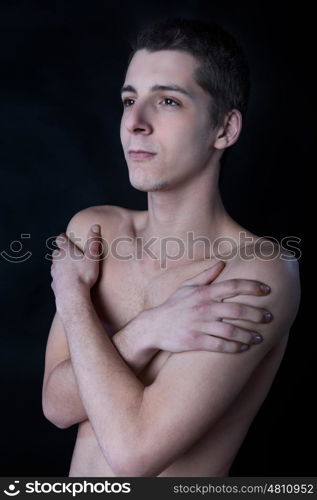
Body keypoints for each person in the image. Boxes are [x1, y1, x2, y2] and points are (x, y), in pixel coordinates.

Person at [42, 17, 301, 477]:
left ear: (224, 129)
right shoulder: (96, 230)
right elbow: (56, 406)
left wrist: (73, 298)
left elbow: (133, 453)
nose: (135, 123)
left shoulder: (258, 271)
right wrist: (147, 331)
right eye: (129, 100)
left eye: (167, 101)